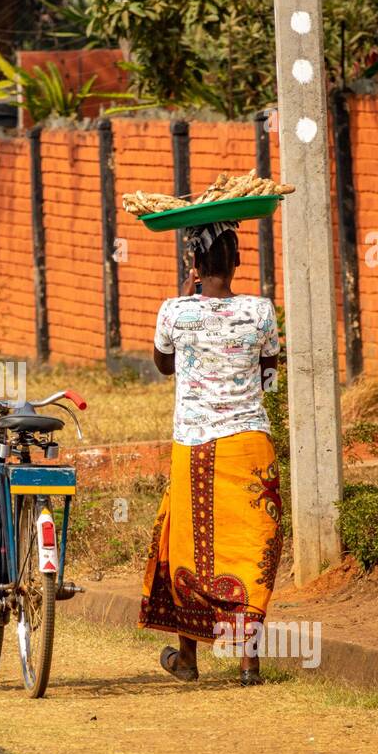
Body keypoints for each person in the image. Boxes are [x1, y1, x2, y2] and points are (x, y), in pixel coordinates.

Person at [142, 221, 283, 687]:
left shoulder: (175, 311)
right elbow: (270, 373)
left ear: (195, 266)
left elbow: (164, 365)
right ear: (238, 261)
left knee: (191, 548)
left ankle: (188, 658)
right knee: (249, 548)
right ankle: (249, 663)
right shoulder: (262, 310)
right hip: (249, 444)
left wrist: (186, 299)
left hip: (196, 445)